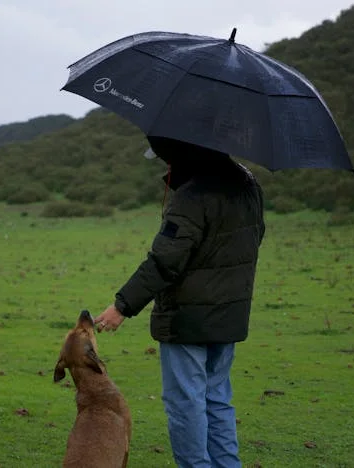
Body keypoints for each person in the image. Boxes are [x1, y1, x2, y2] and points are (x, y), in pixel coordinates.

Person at [94, 136, 266, 468]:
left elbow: (164, 262)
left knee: (186, 403)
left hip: (187, 319)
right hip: (229, 314)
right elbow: (254, 238)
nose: (166, 164)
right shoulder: (248, 184)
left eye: (167, 157)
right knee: (217, 399)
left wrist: (121, 307)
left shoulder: (192, 196)